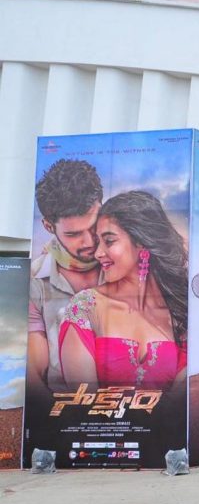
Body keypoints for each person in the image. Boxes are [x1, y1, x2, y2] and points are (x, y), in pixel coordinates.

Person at [59, 191, 187, 388]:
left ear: (141, 242)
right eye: (98, 242)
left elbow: (182, 398)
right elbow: (83, 401)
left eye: (109, 241)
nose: (98, 253)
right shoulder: (86, 307)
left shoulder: (179, 313)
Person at [29, 159, 105, 392]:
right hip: (65, 406)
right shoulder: (35, 280)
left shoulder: (131, 264)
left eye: (93, 227)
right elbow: (34, 371)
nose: (89, 242)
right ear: (48, 226)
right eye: (73, 234)